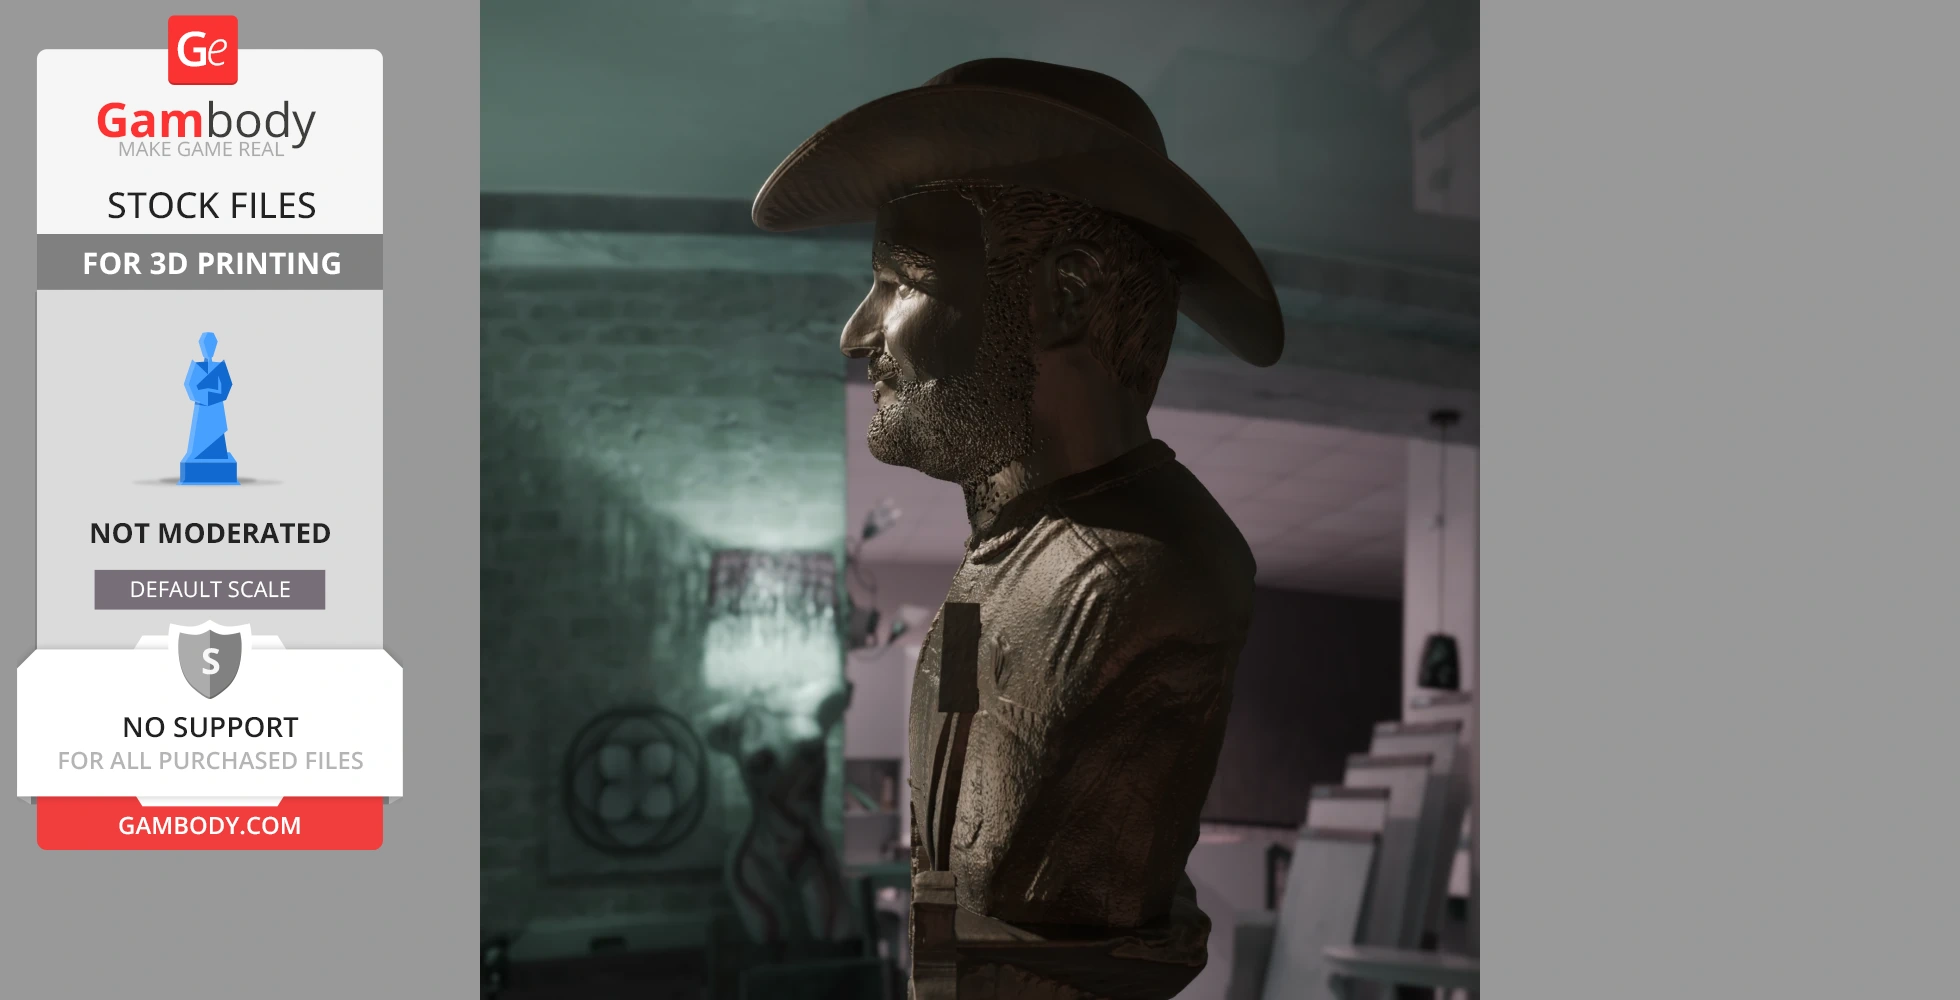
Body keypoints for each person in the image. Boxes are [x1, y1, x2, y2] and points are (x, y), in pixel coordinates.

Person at [753, 59, 1285, 998]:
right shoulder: (996, 561)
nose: (858, 332)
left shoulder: (1131, 581)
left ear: (1064, 295)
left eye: (901, 283)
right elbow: (954, 871)